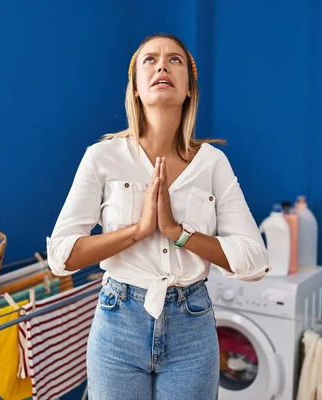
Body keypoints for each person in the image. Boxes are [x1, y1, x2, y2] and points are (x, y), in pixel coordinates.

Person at [46, 33, 270, 399]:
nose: (162, 65)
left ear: (188, 90)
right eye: (150, 59)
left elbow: (255, 262)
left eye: (174, 60)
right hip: (118, 325)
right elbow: (61, 256)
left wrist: (176, 232)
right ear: (135, 87)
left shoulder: (213, 164)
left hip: (192, 326)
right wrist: (138, 231)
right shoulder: (101, 157)